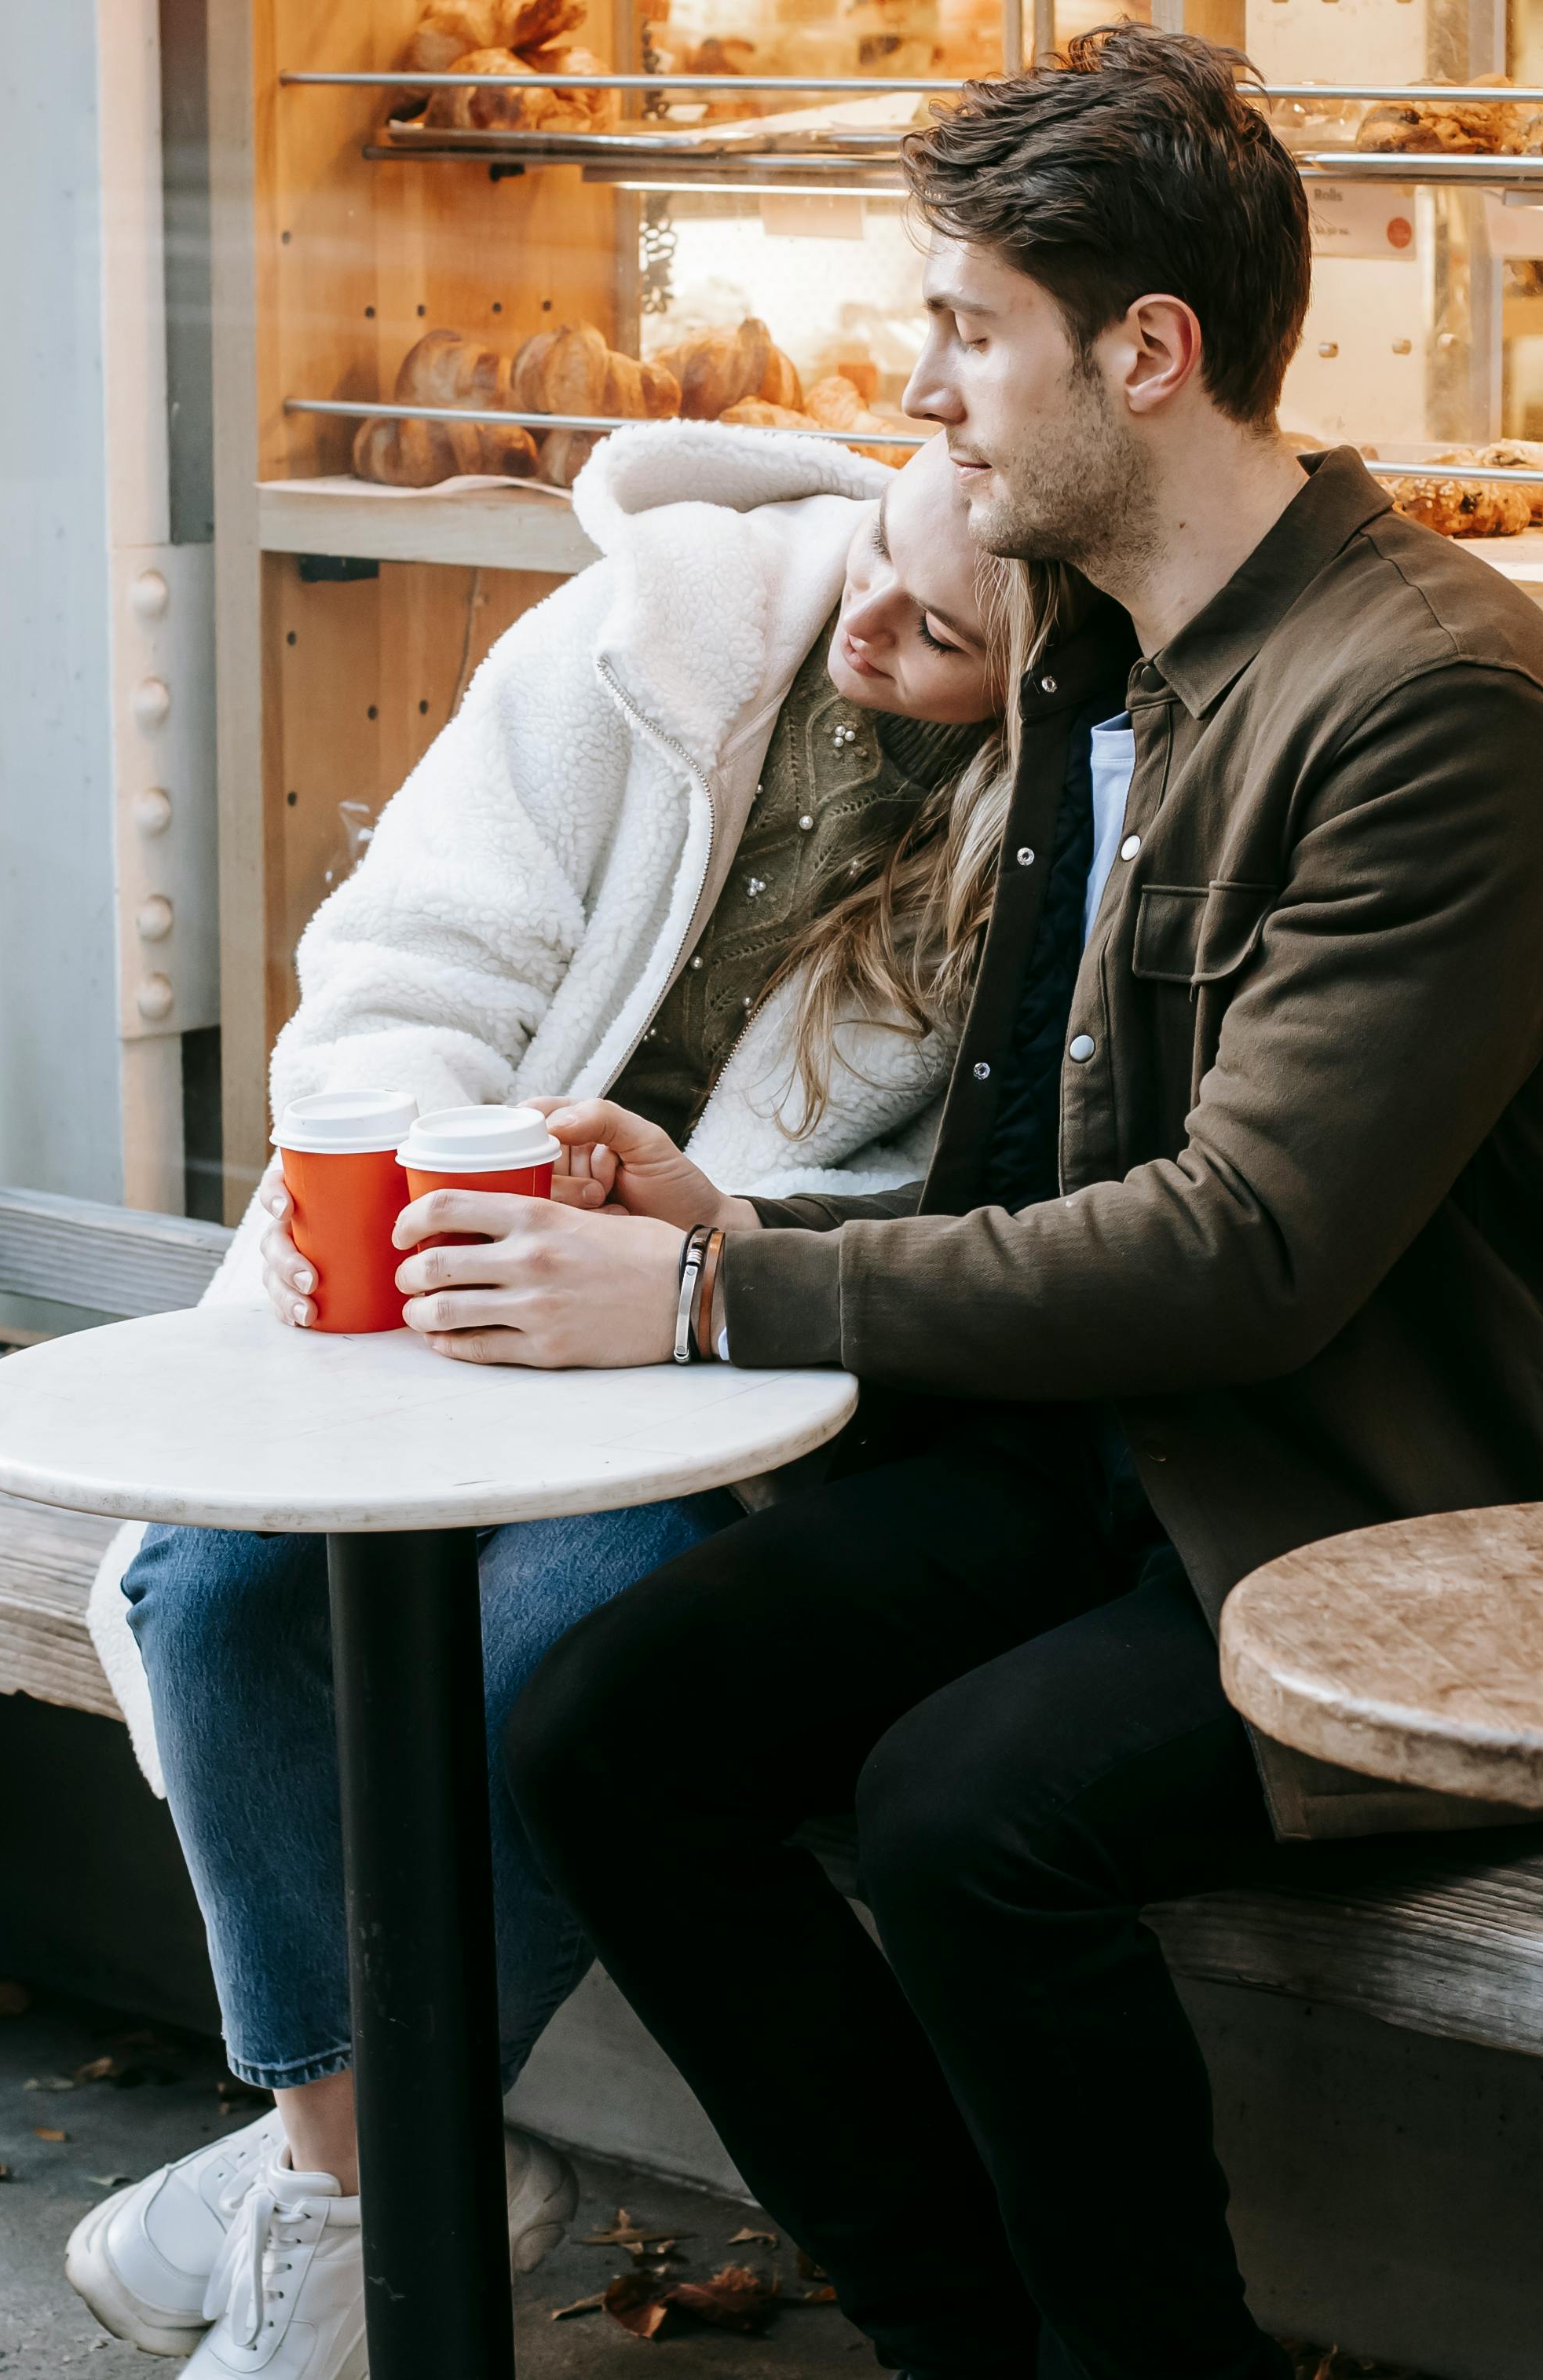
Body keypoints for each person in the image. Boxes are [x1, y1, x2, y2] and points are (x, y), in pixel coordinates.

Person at [350, 28, 1543, 2377]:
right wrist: (714, 1196)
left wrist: (706, 1290)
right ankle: (962, 2335)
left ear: (1144, 354)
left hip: (1417, 1521)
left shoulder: (1434, 706)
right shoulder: (1116, 660)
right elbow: (1022, 1166)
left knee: (969, 1814)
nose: (927, 389)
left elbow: (1247, 1250)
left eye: (971, 328)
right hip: (1121, 1464)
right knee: (607, 1731)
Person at [67, 427, 1070, 2376]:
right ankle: (371, 2181)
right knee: (214, 1587)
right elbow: (408, 951)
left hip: (706, 1364)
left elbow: (950, 1210)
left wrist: (712, 1235)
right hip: (438, 1274)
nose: (870, 621)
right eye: (874, 556)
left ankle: (333, 2193)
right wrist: (387, 1170)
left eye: (941, 634)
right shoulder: (645, 635)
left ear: (1039, 668)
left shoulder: (1047, 841)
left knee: (559, 1650)